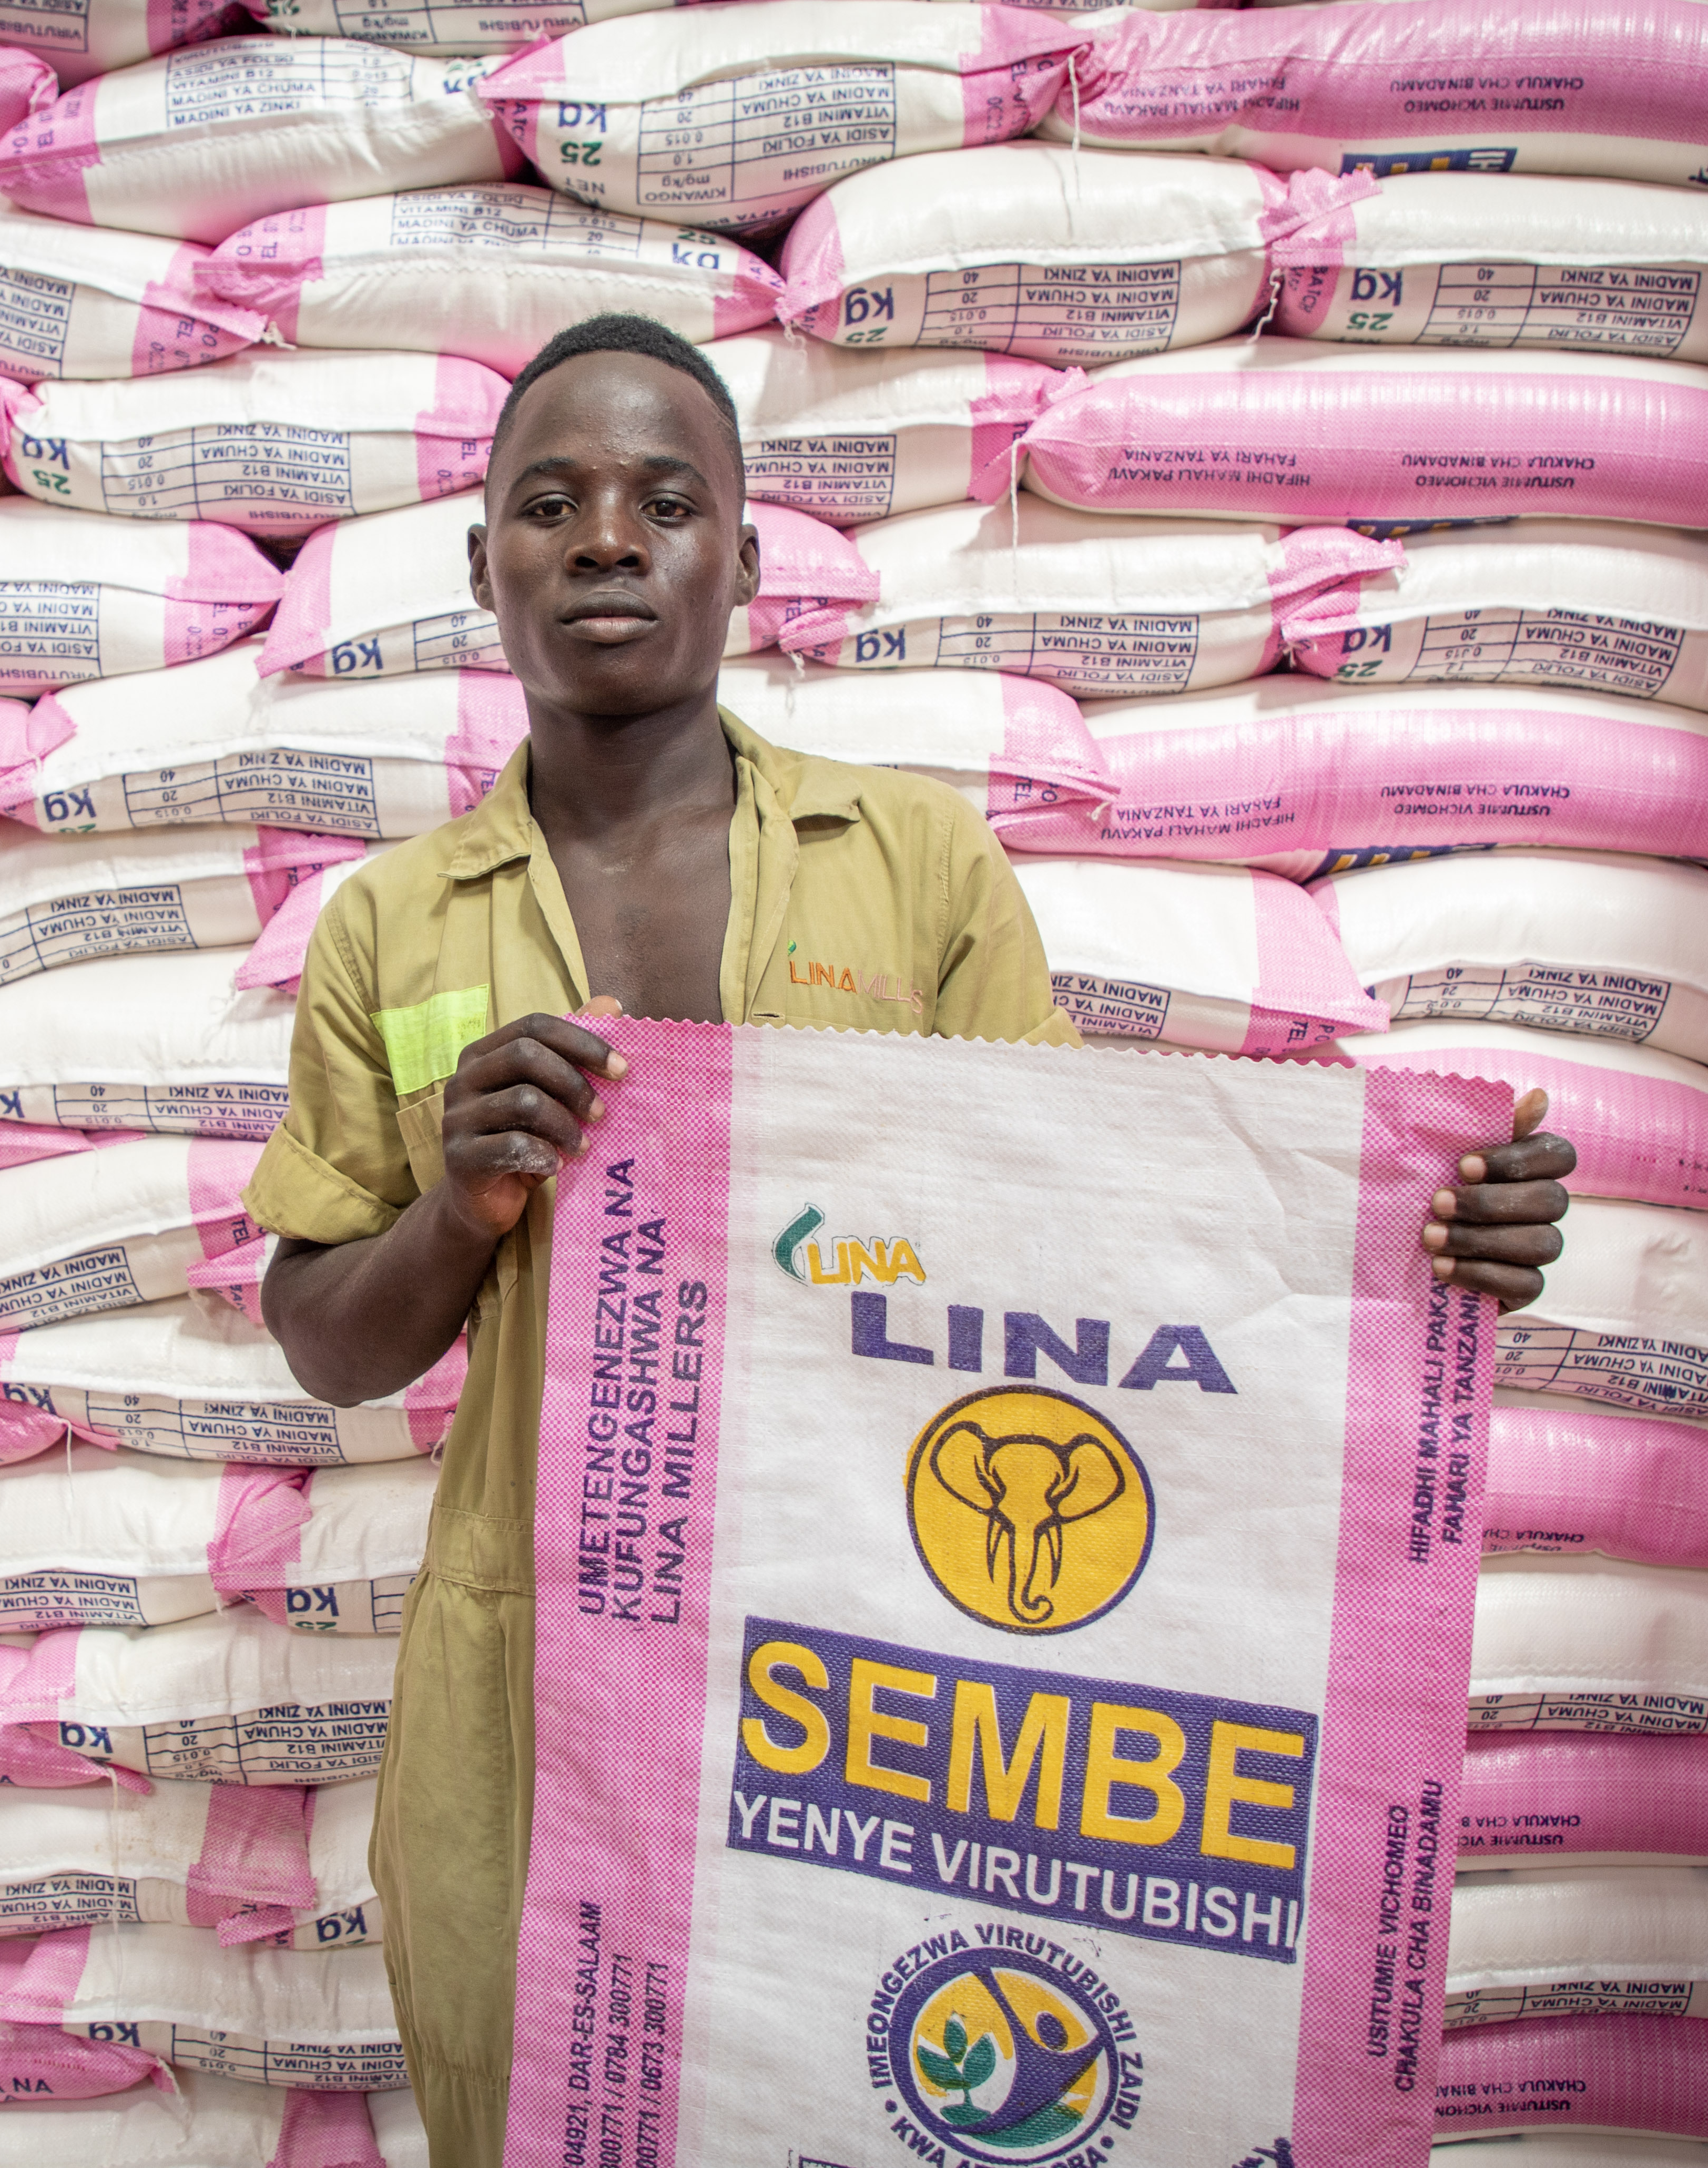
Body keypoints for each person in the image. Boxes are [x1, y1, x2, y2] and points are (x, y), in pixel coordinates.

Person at [240, 313, 1574, 2163]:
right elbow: (325, 1340)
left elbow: (1087, 1235)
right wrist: (461, 1206)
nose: (606, 540)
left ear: (743, 560)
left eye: (664, 501)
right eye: (548, 504)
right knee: (545, 2102)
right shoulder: (391, 927)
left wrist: (1424, 1243)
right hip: (530, 1676)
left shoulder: (914, 860)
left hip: (874, 1682)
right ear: (487, 567)